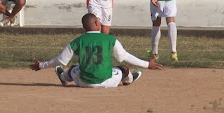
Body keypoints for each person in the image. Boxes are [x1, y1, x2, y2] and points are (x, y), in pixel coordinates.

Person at [30, 13, 162, 88]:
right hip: (107, 82)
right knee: (123, 68)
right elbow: (124, 56)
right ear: (96, 24)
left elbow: (60, 60)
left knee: (73, 68)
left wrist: (41, 65)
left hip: (84, 82)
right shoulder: (109, 39)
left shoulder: (77, 41)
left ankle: (63, 77)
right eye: (98, 21)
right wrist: (147, 64)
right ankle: (129, 79)